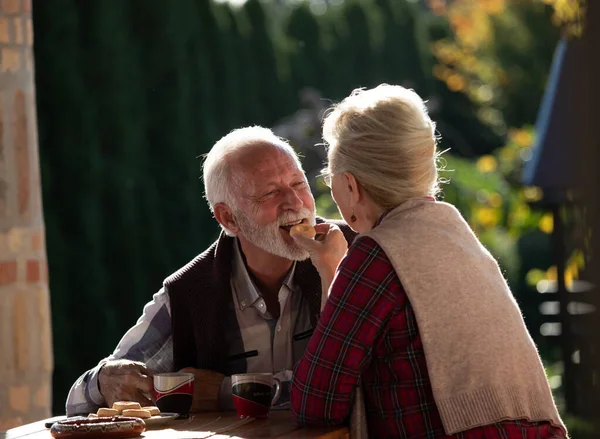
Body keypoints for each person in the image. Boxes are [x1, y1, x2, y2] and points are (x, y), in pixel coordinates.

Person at [290, 85, 568, 438]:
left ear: (351, 185)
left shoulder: (377, 255)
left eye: (331, 178)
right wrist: (333, 268)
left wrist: (334, 268)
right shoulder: (457, 234)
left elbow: (316, 402)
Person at [66, 126, 356, 416]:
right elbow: (82, 402)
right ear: (228, 218)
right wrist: (104, 380)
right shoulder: (189, 293)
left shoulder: (356, 253)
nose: (295, 203)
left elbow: (359, 385)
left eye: (299, 184)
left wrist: (224, 392)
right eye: (271, 193)